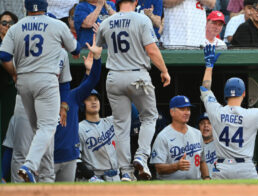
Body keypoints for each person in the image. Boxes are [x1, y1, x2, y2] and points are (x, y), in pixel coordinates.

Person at [0, 0, 81, 183]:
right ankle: (29, 165)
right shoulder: (56, 24)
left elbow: (4, 55)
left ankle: (45, 178)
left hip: (23, 82)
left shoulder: (16, 27)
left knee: (40, 131)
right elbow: (75, 49)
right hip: (46, 80)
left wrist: (14, 72)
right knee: (48, 127)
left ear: (26, 9)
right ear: (45, 8)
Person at [96, 0, 171, 181]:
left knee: (121, 126)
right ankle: (142, 156)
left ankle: (126, 172)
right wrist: (164, 70)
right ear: (135, 1)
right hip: (137, 74)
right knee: (149, 117)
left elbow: (98, 47)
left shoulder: (106, 22)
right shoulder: (141, 19)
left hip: (114, 76)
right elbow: (152, 50)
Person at [199, 45, 258, 179]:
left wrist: (209, 66)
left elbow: (205, 88)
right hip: (245, 168)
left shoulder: (215, 110)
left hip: (222, 167)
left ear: (225, 94)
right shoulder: (251, 114)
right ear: (243, 93)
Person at [54, 35, 102, 182]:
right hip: (47, 158)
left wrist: (96, 60)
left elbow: (92, 81)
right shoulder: (39, 97)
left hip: (70, 157)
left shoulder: (72, 95)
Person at [150, 95, 210, 180]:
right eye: (182, 109)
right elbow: (158, 168)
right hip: (171, 188)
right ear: (172, 112)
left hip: (195, 186)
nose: (187, 112)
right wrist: (176, 166)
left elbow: (202, 161)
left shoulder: (197, 133)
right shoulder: (163, 136)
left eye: (188, 109)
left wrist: (207, 177)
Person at [78, 90, 120, 182]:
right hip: (95, 178)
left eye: (96, 99)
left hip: (116, 176)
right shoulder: (79, 128)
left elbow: (132, 113)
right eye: (89, 99)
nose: (93, 102)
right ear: (82, 104)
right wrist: (90, 176)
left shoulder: (111, 121)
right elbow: (76, 159)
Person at [198, 112, 217, 178]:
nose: (206, 125)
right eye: (202, 123)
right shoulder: (194, 146)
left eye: (209, 123)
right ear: (199, 127)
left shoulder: (220, 145)